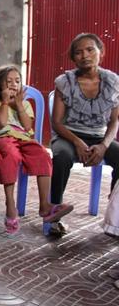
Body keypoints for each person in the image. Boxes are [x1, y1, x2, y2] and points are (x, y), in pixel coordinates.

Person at [0, 65, 73, 234]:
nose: (13, 85)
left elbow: (27, 127)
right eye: (9, 81)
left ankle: (45, 206)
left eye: (17, 81)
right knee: (10, 156)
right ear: (0, 86)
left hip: (24, 139)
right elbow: (1, 123)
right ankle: (10, 204)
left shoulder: (25, 104)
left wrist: (18, 105)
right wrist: (5, 102)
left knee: (42, 154)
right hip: (3, 139)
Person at [51, 33, 119, 235]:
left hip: (100, 137)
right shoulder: (65, 82)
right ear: (73, 58)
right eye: (78, 52)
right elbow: (56, 122)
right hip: (68, 136)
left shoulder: (113, 81)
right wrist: (78, 142)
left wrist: (104, 145)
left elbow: (115, 120)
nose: (85, 55)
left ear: (101, 52)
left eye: (90, 50)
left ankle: (114, 214)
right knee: (61, 157)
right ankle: (54, 212)